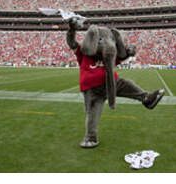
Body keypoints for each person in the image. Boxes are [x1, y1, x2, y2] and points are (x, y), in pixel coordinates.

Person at [66, 19, 165, 148]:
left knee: (127, 84)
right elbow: (72, 43)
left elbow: (121, 56)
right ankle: (90, 137)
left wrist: (128, 52)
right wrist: (72, 29)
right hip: (92, 89)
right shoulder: (84, 53)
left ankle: (146, 98)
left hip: (112, 83)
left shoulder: (108, 55)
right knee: (93, 112)